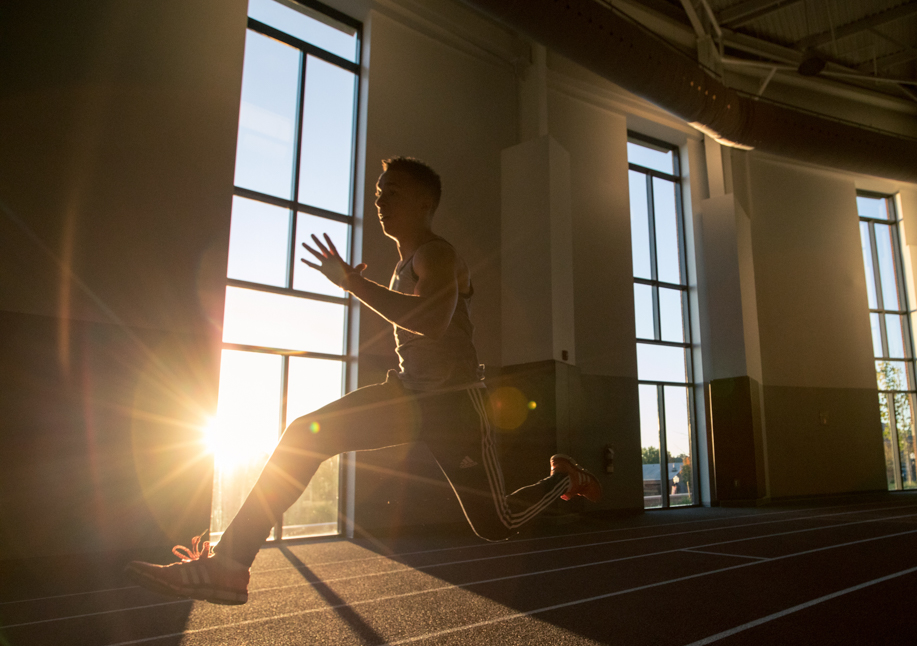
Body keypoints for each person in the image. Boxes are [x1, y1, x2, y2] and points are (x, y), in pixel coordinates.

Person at [126, 157, 600, 606]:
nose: (379, 200)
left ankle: (563, 479)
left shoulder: (438, 254)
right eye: (377, 192)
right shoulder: (403, 264)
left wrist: (352, 286)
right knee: (303, 436)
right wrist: (357, 285)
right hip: (408, 395)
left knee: (497, 524)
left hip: (453, 406)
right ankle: (229, 565)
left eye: (392, 192)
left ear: (424, 205)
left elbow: (432, 322)